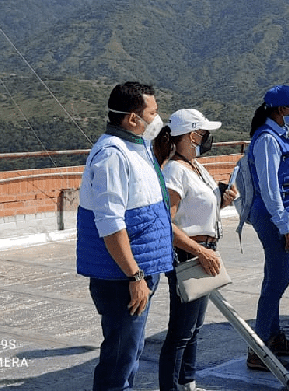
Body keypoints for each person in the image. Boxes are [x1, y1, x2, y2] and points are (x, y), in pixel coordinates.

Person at [76, 81, 173, 391]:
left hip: (141, 270)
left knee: (130, 353)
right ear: (133, 118)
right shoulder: (112, 156)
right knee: (119, 358)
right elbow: (110, 223)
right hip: (123, 279)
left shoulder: (137, 146)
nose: (158, 119)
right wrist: (134, 276)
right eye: (153, 113)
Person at [155, 109, 237, 391]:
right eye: (203, 133)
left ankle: (187, 382)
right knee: (180, 331)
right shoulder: (175, 170)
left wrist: (222, 200)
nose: (207, 138)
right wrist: (200, 252)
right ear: (192, 135)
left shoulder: (195, 166)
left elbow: (198, 211)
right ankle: (172, 387)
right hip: (190, 254)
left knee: (194, 328)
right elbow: (167, 222)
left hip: (205, 251)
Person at [244, 85, 289, 371]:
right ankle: (258, 349)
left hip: (283, 215)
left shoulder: (280, 139)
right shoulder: (267, 140)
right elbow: (270, 189)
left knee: (273, 277)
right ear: (282, 110)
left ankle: (273, 337)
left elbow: (283, 175)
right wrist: (286, 227)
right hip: (275, 217)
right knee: (280, 279)